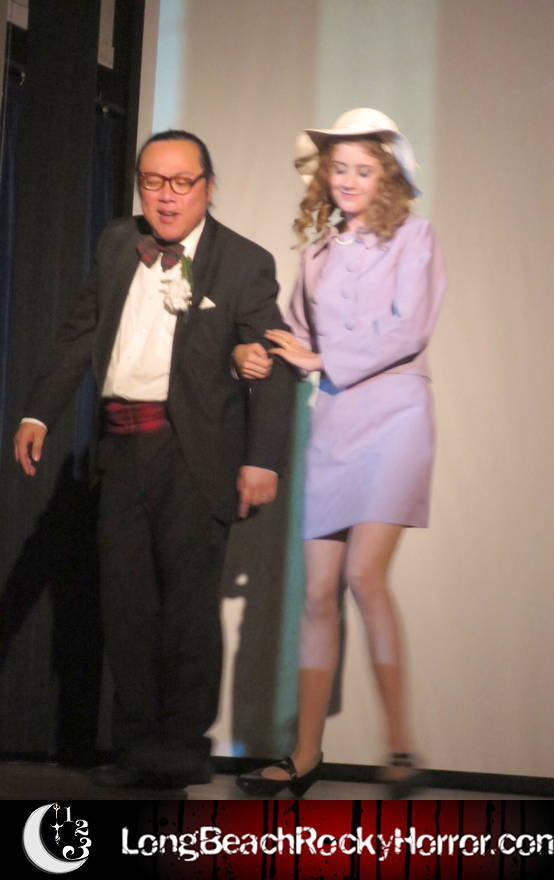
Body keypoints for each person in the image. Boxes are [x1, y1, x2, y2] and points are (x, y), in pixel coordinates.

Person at [13, 129, 294, 789]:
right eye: (152, 182)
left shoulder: (243, 262)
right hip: (119, 448)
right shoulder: (119, 242)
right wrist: (38, 412)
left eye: (181, 182)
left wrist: (263, 459)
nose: (166, 197)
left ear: (208, 187)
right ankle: (138, 751)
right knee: (127, 606)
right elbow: (80, 331)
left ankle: (181, 753)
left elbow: (275, 358)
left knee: (187, 611)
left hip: (190, 453)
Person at [233, 108, 446, 797]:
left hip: (395, 417)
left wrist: (320, 358)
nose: (349, 179)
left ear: (387, 176)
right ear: (324, 175)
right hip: (334, 422)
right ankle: (305, 754)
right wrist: (254, 353)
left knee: (363, 575)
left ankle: (401, 749)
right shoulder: (317, 255)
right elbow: (293, 339)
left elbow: (408, 330)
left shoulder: (414, 238)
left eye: (363, 169)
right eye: (339, 168)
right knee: (318, 591)